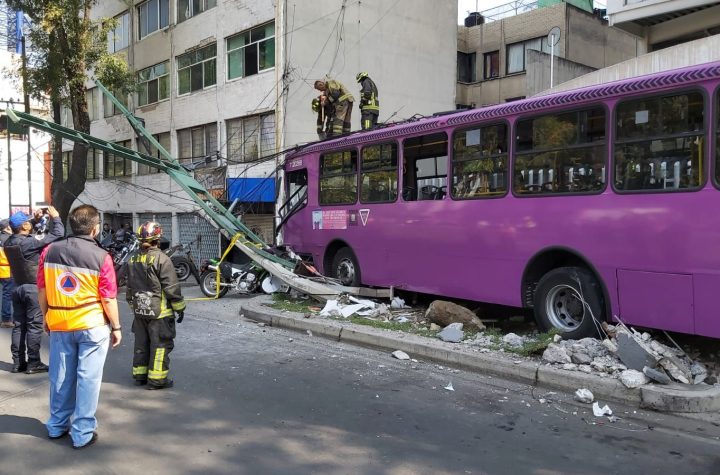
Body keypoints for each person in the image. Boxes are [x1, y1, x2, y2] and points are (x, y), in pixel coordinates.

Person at [37, 204, 121, 449]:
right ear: (95, 229)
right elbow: (108, 297)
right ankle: (82, 433)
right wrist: (116, 327)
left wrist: (46, 316)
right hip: (92, 324)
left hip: (60, 322)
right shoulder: (102, 257)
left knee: (60, 376)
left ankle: (56, 426)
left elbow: (42, 289)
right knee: (88, 379)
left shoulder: (49, 251)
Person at [4, 207, 64, 373]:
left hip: (17, 287)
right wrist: (56, 217)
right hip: (32, 288)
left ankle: (18, 362)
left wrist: (34, 220)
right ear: (24, 226)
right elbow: (58, 234)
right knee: (34, 326)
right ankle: (34, 362)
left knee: (19, 326)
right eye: (27, 222)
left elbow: (20, 230)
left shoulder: (9, 242)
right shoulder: (28, 243)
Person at [126, 222, 185, 390]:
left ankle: (140, 375)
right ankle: (157, 380)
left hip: (140, 310)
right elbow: (172, 287)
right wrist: (180, 308)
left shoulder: (133, 258)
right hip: (159, 313)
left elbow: (129, 286)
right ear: (157, 239)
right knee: (160, 345)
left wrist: (134, 305)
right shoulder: (162, 259)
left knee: (141, 344)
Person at [0, 218, 14, 328]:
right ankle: (6, 319)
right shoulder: (9, 239)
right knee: (7, 295)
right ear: (8, 227)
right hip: (7, 270)